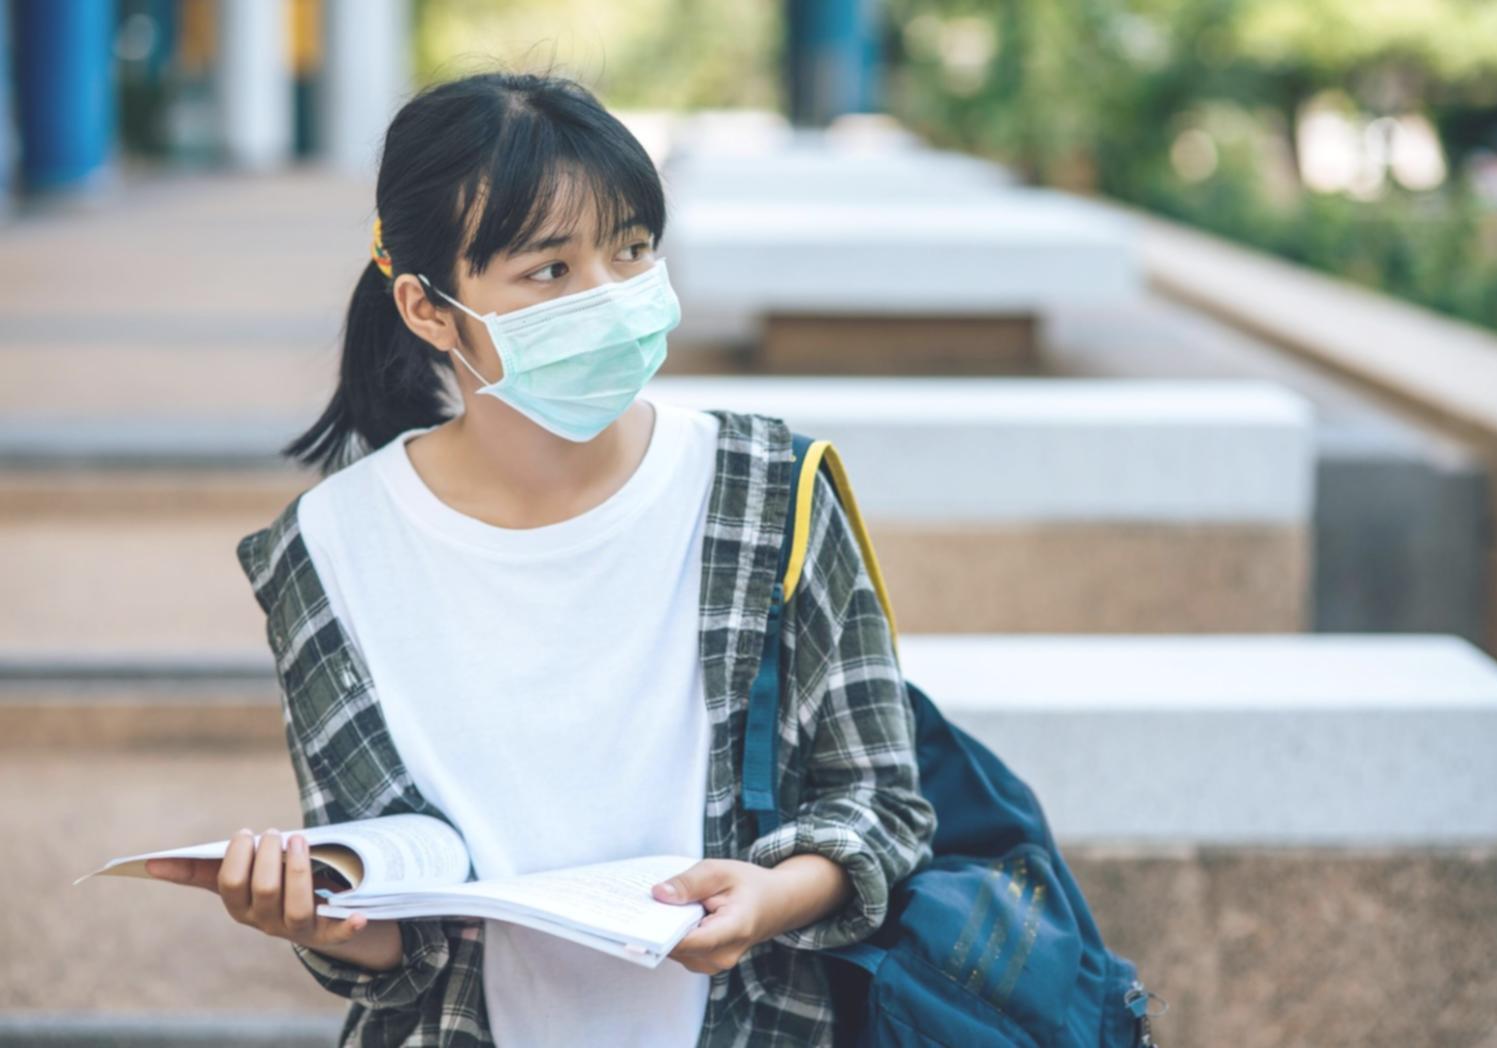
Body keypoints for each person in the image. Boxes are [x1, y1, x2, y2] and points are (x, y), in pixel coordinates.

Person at [146, 69, 936, 1046]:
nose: (610, 297)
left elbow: (882, 799)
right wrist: (320, 920)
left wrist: (775, 895)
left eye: (632, 249)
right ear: (429, 310)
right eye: (550, 271)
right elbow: (404, 919)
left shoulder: (772, 487)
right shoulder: (327, 551)